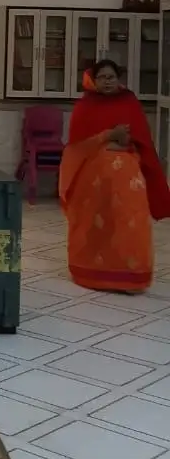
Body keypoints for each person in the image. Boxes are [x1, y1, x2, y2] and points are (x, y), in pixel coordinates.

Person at [59, 59, 170, 293]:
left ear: (119, 79)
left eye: (111, 77)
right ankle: (90, 273)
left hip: (127, 174)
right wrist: (110, 134)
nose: (107, 81)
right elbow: (77, 146)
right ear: (94, 81)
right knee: (94, 222)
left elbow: (140, 139)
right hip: (92, 177)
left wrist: (123, 140)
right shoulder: (85, 106)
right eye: (102, 78)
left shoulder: (129, 102)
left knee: (130, 218)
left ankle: (131, 277)